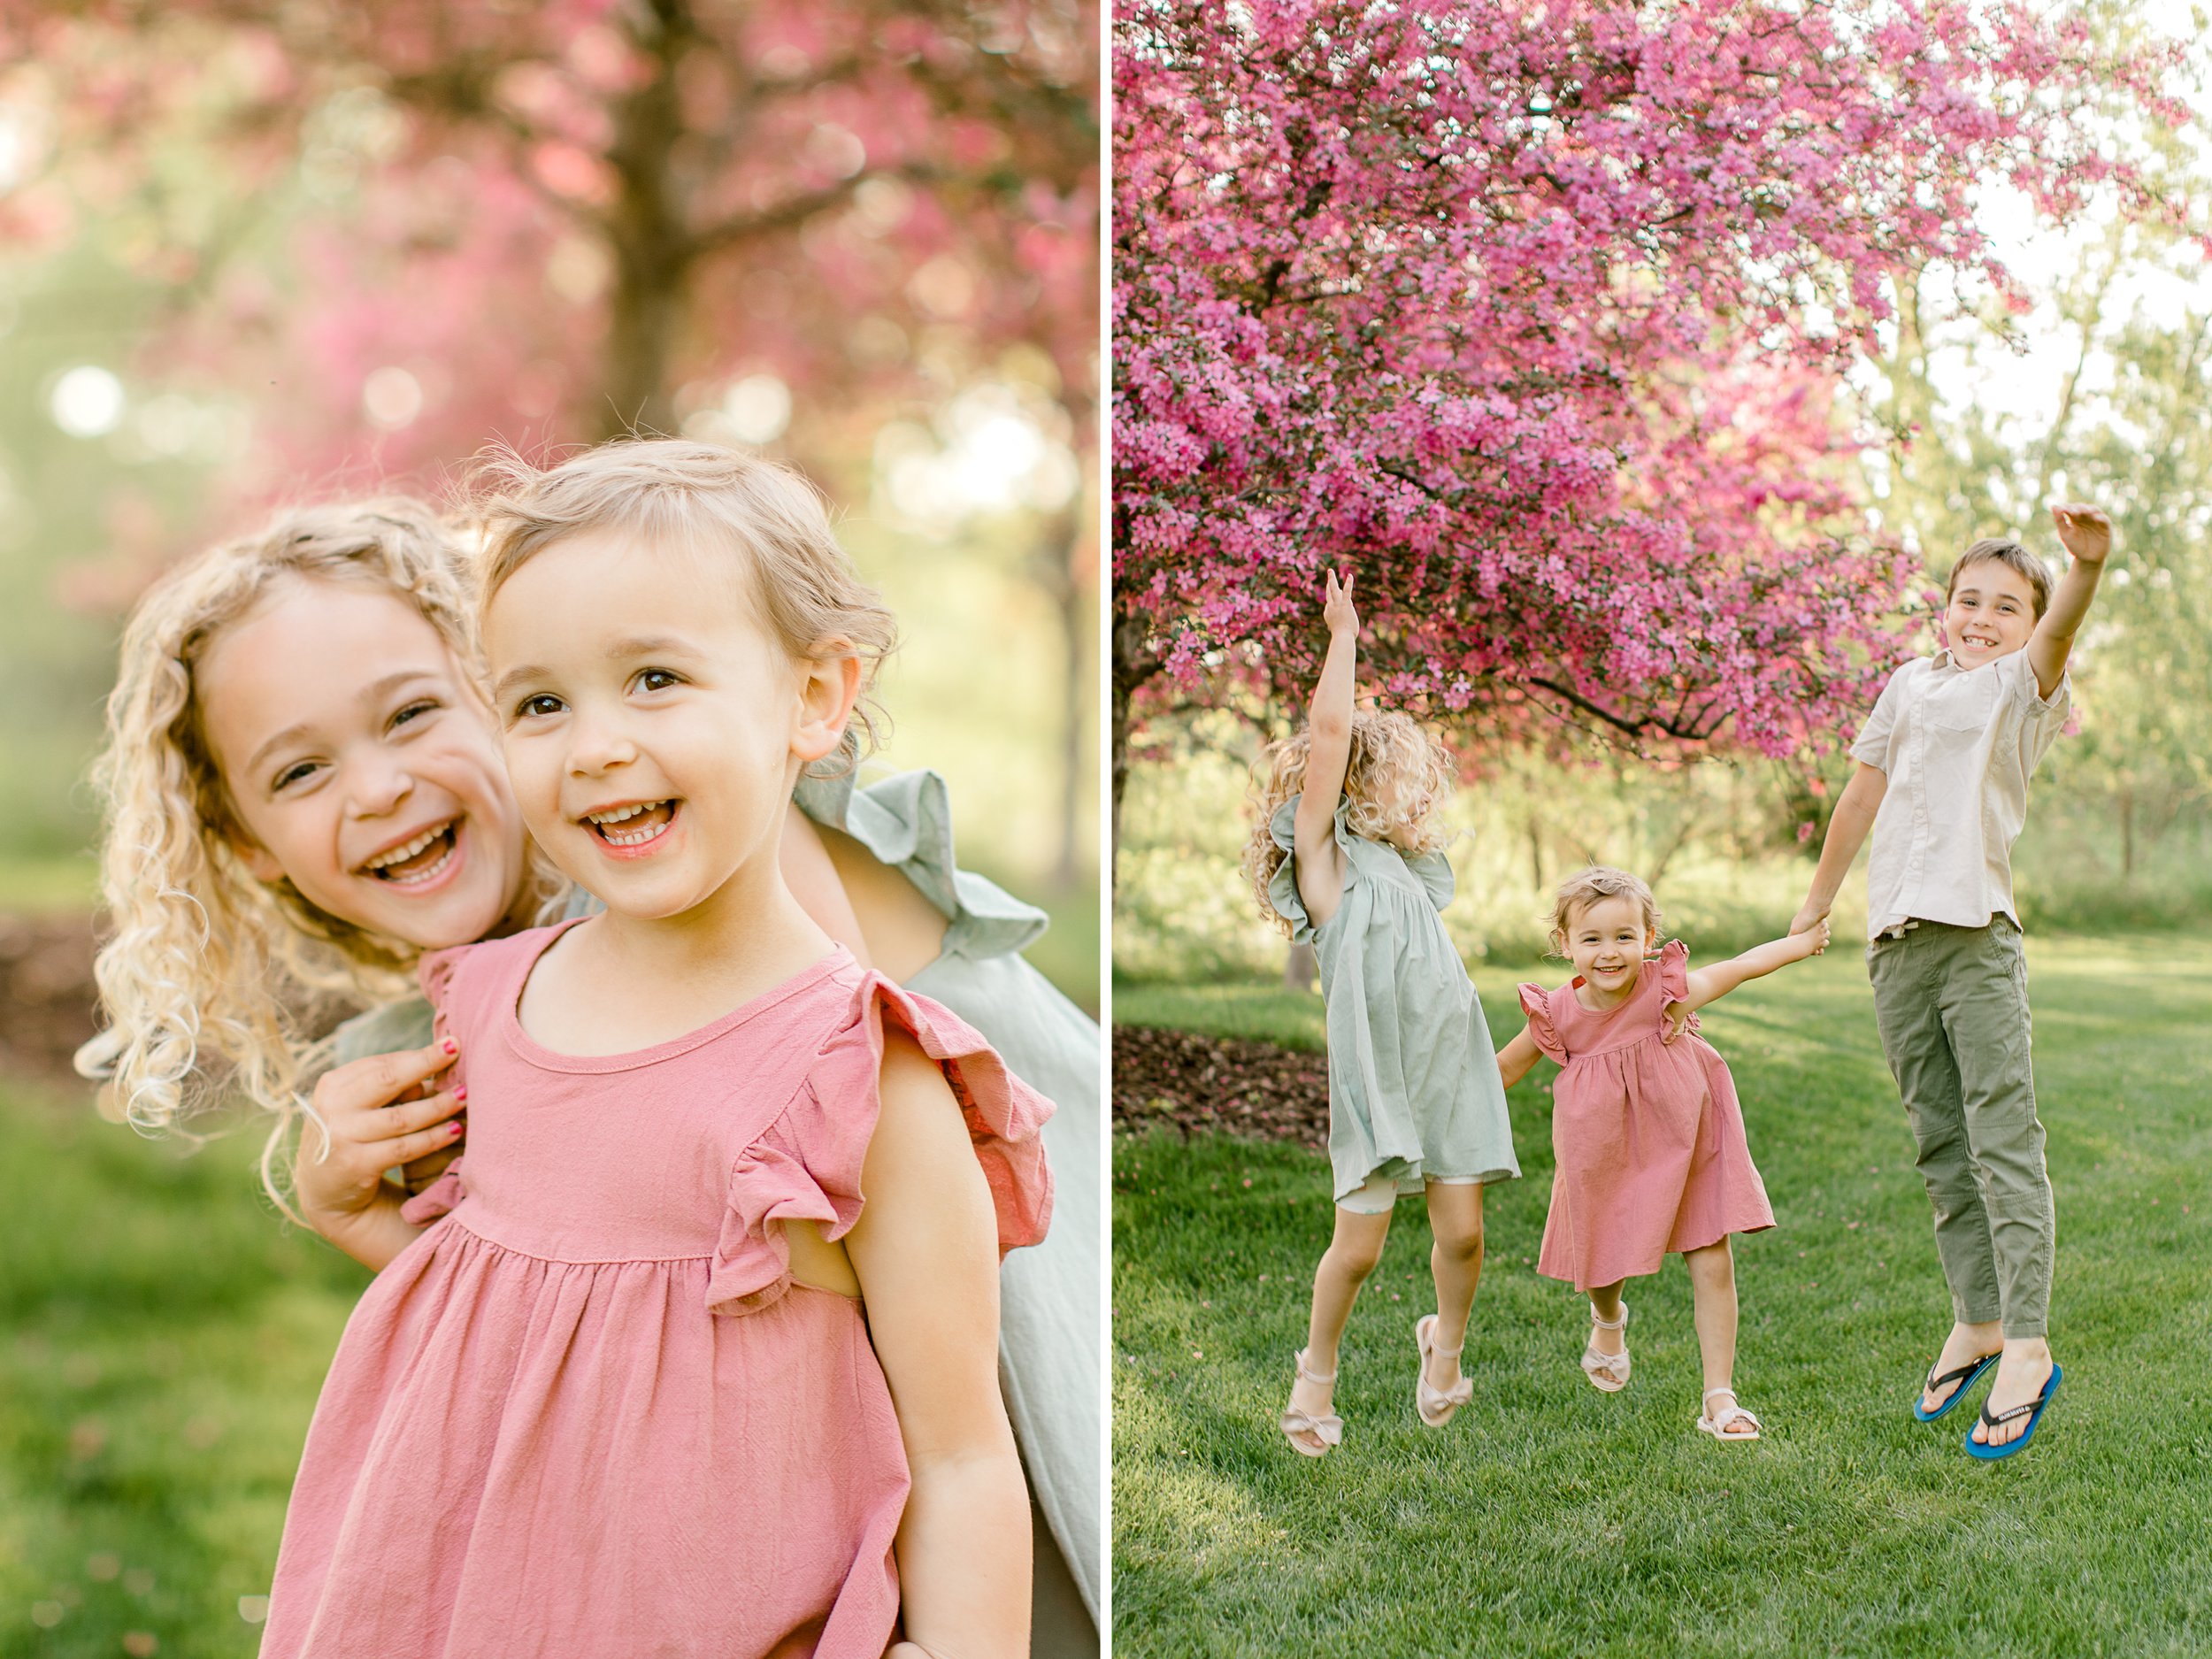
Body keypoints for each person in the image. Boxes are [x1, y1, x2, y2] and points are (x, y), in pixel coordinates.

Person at [77, 449, 1093, 1646]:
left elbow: (835, 1334)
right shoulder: (509, 999)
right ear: (247, 842)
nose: (380, 786)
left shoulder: (766, 942)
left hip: (986, 1445)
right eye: (301, 769)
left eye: (413, 712)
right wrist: (354, 1210)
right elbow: (559, 1329)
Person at [1793, 505, 2110, 1458]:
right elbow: (1860, 792)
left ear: (2026, 625)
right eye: (1967, 599)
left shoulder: (2020, 687)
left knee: (2001, 1140)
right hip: (1894, 946)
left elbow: (2059, 634)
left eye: (2005, 606)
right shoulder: (1905, 684)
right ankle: (1974, 1318)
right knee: (1937, 1144)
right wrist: (1816, 904)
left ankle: (2025, 1342)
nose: (1982, 617)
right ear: (1942, 608)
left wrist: (2083, 569)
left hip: (1977, 940)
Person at [1238, 571, 1518, 1455]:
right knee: (1356, 1250)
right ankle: (1314, 1375)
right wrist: (1344, 634)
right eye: (1398, 771)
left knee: (1464, 1237)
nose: (1416, 788)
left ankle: (1445, 1344)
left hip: (1447, 1062)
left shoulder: (1405, 872)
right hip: (1379, 1078)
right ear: (1359, 779)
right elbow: (1327, 731)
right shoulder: (1324, 865)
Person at [1499, 868, 1825, 1442]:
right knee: (1602, 1256)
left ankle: (1719, 1397)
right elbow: (1502, 1069)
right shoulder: (1557, 1013)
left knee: (1712, 1254)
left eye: (1625, 936)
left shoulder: (1664, 990)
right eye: (1592, 938)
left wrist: (1800, 943)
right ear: (1565, 944)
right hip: (1601, 1149)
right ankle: (1608, 1318)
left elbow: (1741, 966)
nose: (1609, 952)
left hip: (1687, 1136)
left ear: (1649, 938)